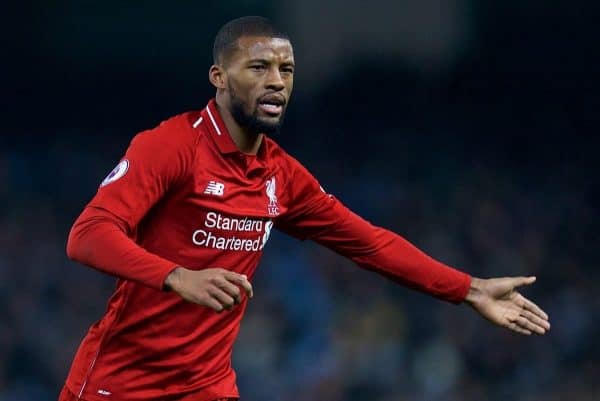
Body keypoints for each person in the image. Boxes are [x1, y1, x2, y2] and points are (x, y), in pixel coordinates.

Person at [59, 16, 550, 401]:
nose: (277, 82)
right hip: (120, 384)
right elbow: (87, 235)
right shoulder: (170, 146)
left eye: (286, 70)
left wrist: (469, 288)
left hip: (207, 387)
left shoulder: (281, 175)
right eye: (258, 68)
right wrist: (178, 276)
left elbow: (370, 243)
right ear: (219, 77)